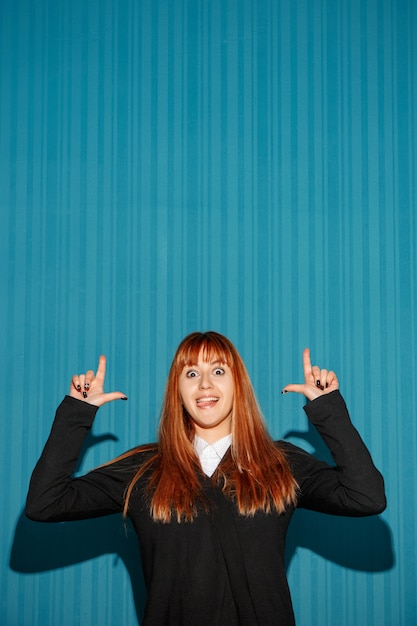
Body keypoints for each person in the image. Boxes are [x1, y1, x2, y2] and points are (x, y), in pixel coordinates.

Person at [26, 331, 386, 625]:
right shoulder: (143, 469)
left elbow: (366, 496)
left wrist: (329, 409)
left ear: (237, 384)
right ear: (178, 390)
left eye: (218, 371)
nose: (204, 385)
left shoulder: (281, 463)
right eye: (191, 373)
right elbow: (45, 503)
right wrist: (77, 412)